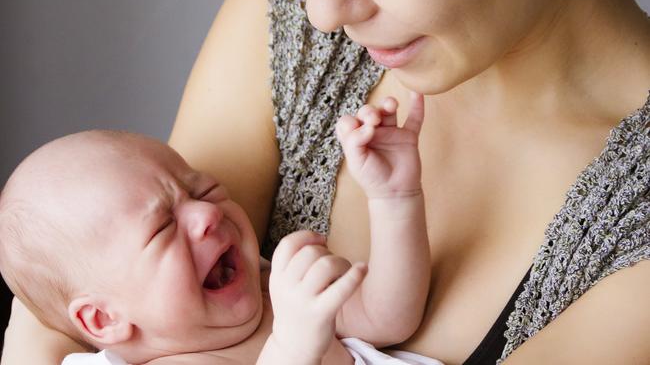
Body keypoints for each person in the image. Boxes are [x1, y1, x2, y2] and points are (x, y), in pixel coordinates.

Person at [3, 0, 650, 364]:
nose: (320, 11)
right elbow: (68, 287)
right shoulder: (279, 26)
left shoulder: (634, 215)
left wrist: (396, 203)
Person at [0, 96, 440, 365]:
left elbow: (389, 317)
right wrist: (293, 346)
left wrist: (394, 199)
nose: (205, 215)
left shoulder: (275, 294)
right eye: (163, 227)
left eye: (204, 190)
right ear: (104, 319)